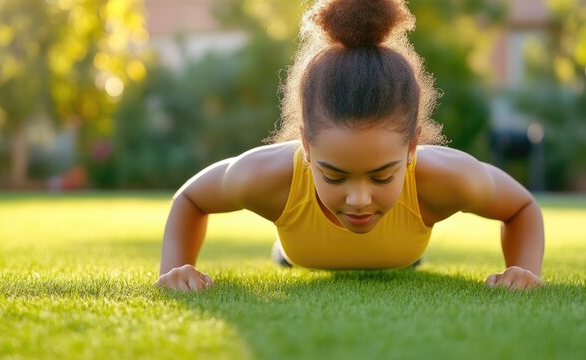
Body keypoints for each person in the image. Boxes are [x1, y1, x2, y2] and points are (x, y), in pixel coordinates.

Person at [155, 0, 544, 292]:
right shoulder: (267, 176)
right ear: (306, 145)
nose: (359, 199)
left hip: (402, 259)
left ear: (412, 148)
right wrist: (177, 268)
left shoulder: (447, 178)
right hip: (299, 257)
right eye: (334, 175)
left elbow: (522, 207)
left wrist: (522, 270)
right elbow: (191, 199)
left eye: (382, 176)